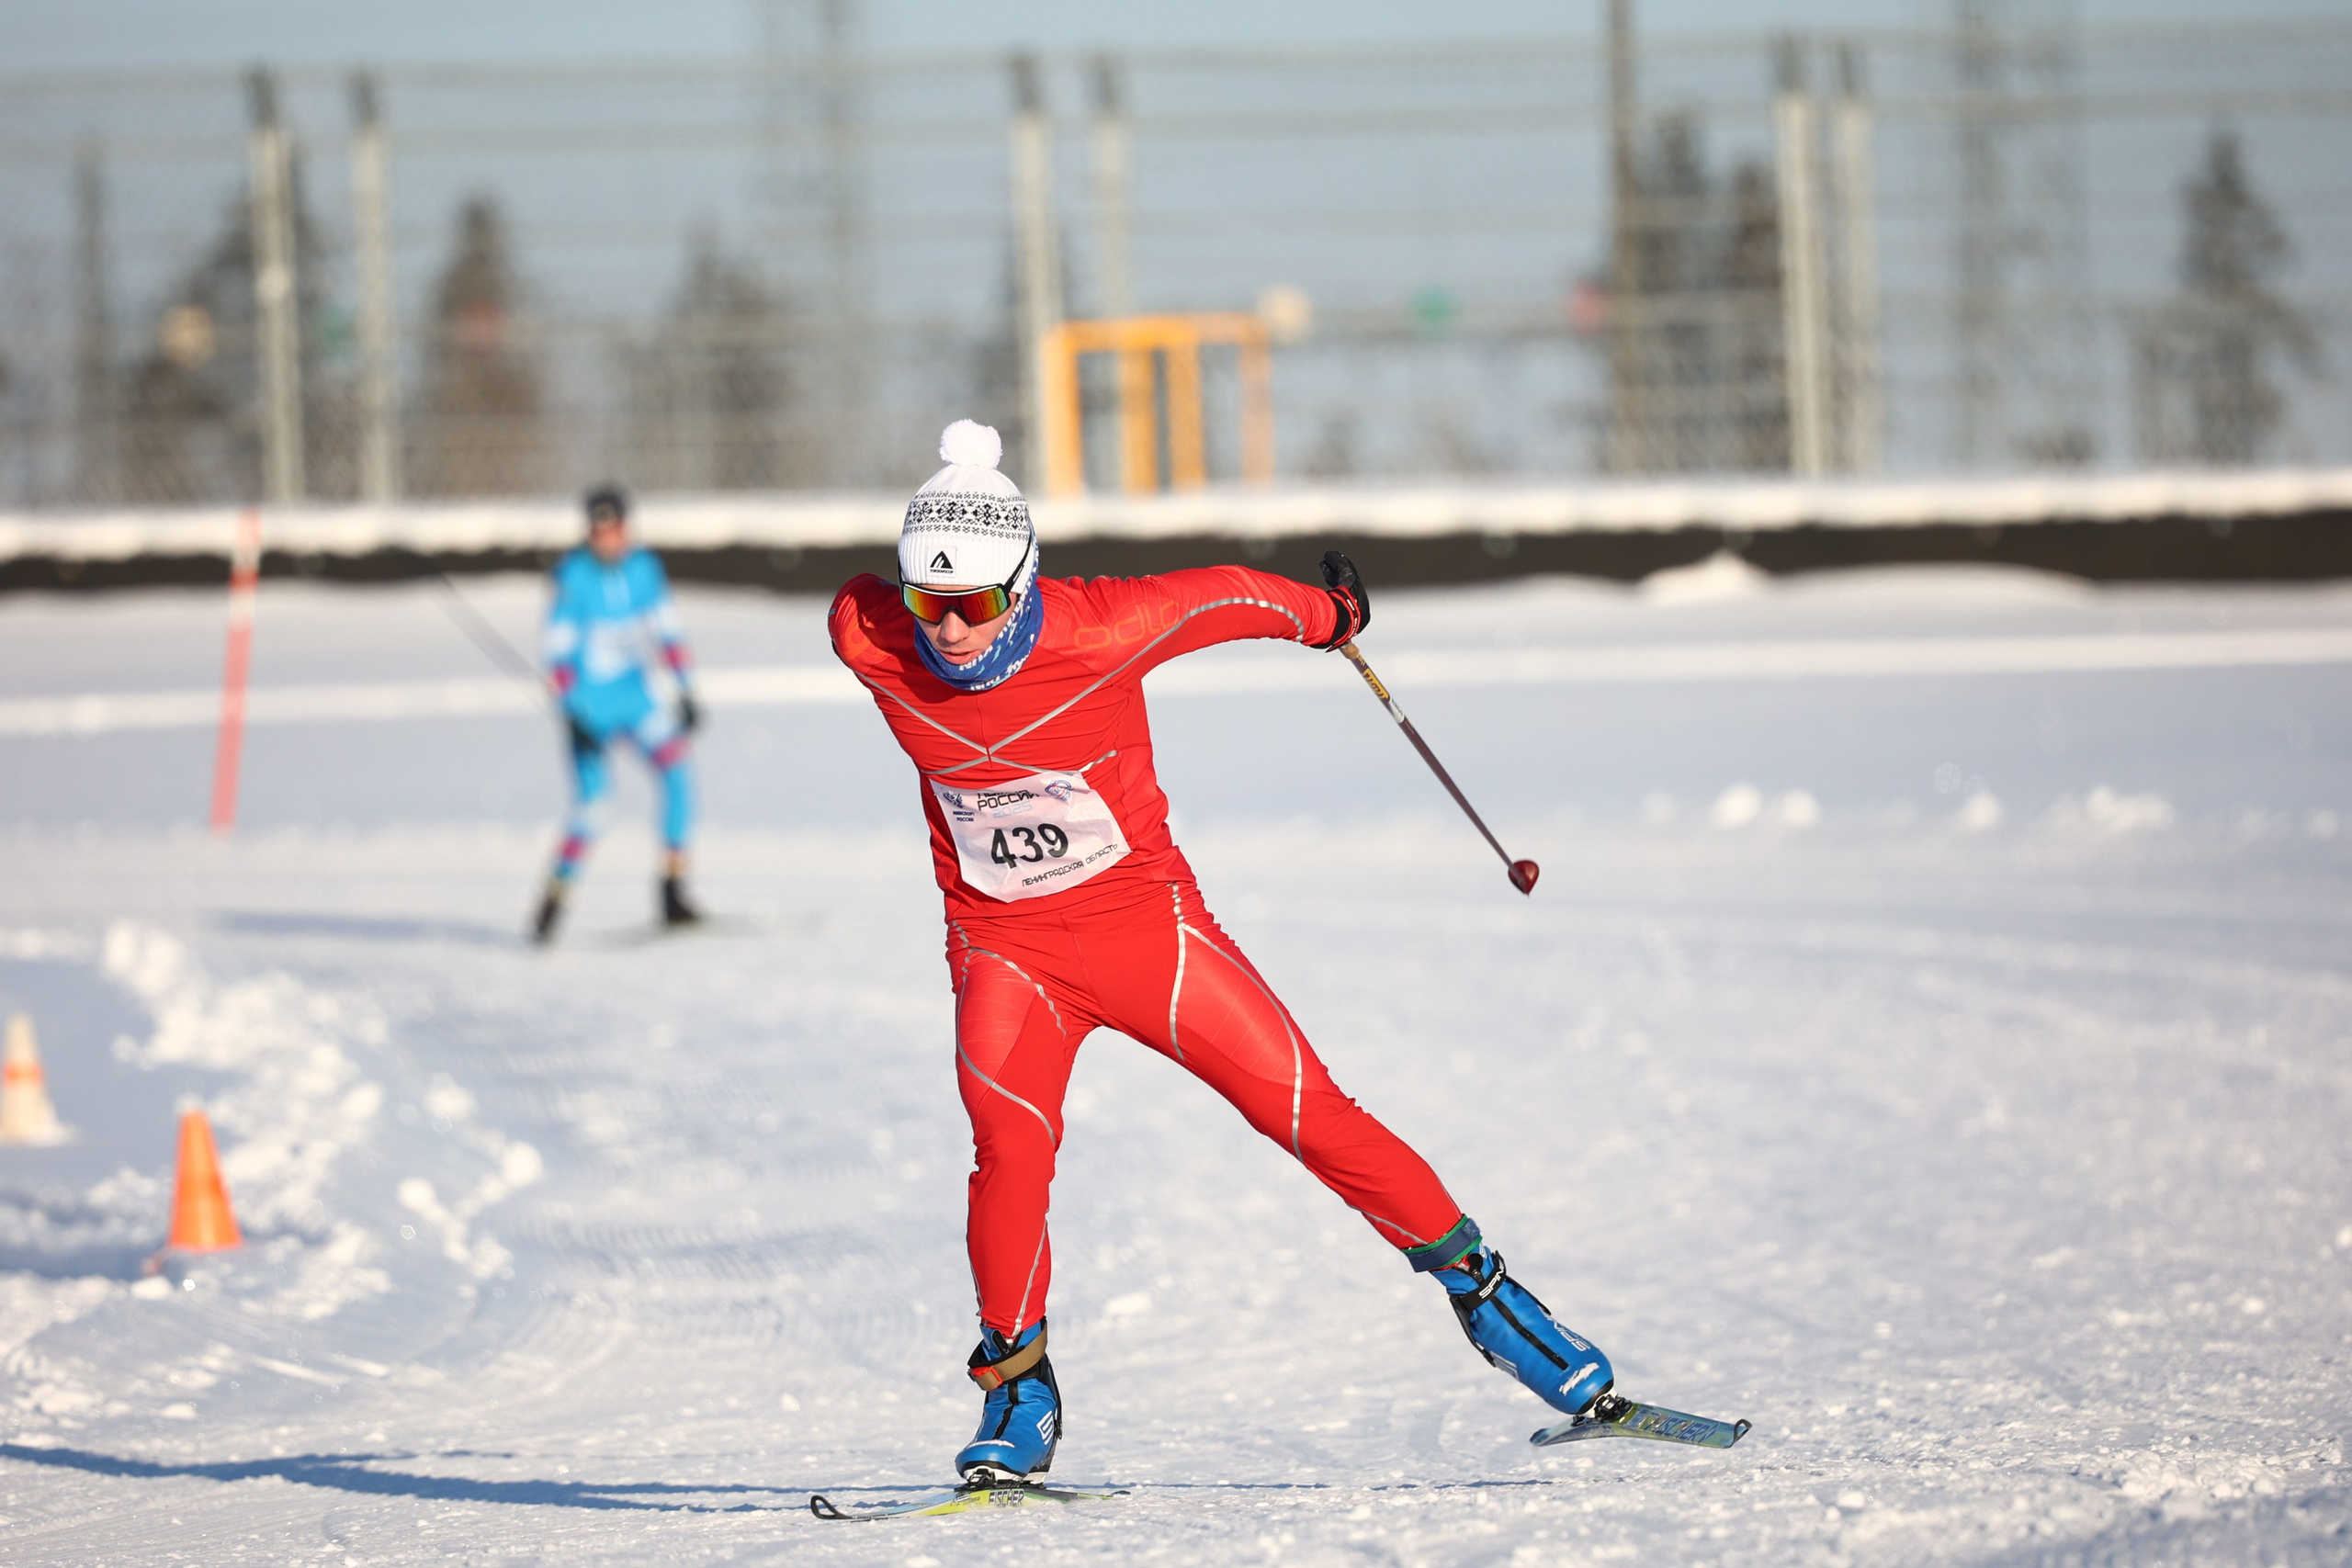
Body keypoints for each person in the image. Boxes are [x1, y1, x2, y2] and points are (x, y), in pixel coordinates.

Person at [830, 421, 1615, 1487]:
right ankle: (1017, 1385)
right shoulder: (863, 630)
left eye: (975, 603)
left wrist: (1327, 615)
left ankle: (1489, 1296)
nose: (953, 632)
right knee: (1007, 1156)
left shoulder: (1102, 627)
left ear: (1023, 584)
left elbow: (1224, 594)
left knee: (1306, 1111)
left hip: (1144, 934)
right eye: (930, 602)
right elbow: (875, 611)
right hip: (1006, 954)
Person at [532, 485, 702, 942]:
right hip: (590, 710)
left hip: (635, 699)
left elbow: (666, 630)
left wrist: (685, 691)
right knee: (594, 809)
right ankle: (553, 898)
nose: (608, 539)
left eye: (615, 529)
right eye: (599, 530)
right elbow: (559, 651)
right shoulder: (574, 576)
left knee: (677, 776)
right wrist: (570, 711)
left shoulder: (645, 569)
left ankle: (672, 891)